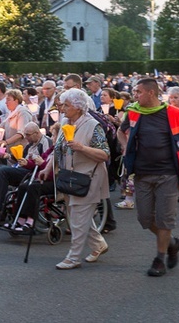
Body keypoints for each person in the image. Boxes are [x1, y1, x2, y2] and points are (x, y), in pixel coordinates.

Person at [118, 78, 179, 277]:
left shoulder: (174, 113)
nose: (135, 96)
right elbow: (120, 131)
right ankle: (172, 243)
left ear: (151, 93)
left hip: (167, 174)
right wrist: (125, 145)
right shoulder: (134, 111)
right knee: (144, 218)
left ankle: (160, 258)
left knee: (164, 219)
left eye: (138, 92)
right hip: (141, 173)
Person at [46, 88, 110, 270]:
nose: (62, 108)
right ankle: (98, 245)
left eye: (66, 105)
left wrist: (82, 148)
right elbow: (57, 150)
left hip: (89, 177)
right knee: (77, 215)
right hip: (70, 177)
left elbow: (105, 154)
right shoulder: (65, 122)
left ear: (79, 107)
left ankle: (73, 258)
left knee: (78, 219)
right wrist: (47, 168)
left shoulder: (93, 125)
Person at [0, 122, 52, 218]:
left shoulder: (45, 142)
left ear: (36, 133)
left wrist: (31, 162)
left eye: (28, 135)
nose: (25, 137)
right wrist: (8, 156)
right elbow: (21, 158)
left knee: (2, 171)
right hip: (22, 167)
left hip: (31, 171)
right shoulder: (30, 144)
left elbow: (45, 161)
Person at [9, 123, 60, 232]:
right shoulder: (51, 149)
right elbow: (40, 160)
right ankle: (20, 219)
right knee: (23, 186)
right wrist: (27, 162)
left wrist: (42, 164)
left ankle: (30, 221)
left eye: (54, 135)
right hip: (43, 178)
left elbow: (53, 171)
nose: (52, 138)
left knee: (32, 188)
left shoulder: (61, 152)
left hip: (54, 181)